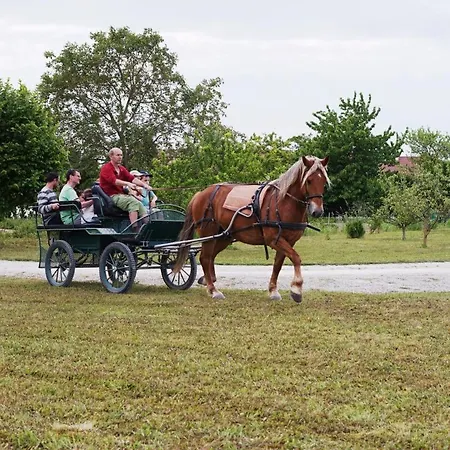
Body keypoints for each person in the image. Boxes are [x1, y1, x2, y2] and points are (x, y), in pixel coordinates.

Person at [99, 148, 152, 231]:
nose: (120, 157)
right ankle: (135, 229)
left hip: (121, 195)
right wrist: (127, 183)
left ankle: (149, 228)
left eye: (121, 155)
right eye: (118, 155)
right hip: (112, 196)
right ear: (111, 156)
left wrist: (144, 185)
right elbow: (114, 181)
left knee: (140, 205)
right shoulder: (106, 168)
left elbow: (131, 178)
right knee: (133, 202)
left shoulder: (121, 169)